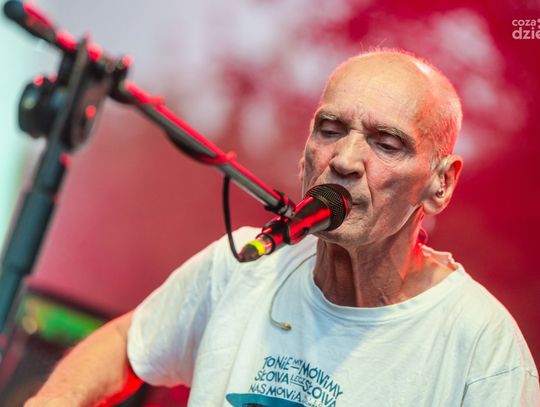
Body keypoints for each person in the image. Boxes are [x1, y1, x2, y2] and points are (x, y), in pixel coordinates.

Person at [26, 50, 539, 407]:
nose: (344, 160)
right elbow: (128, 344)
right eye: (330, 130)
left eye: (386, 143)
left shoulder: (481, 347)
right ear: (305, 151)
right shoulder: (244, 263)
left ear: (441, 183)